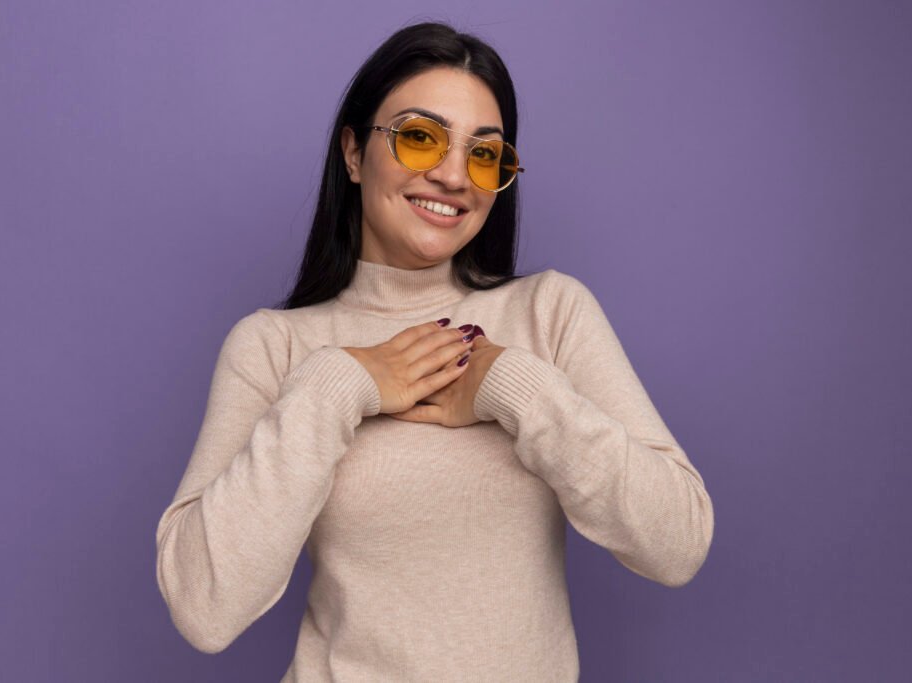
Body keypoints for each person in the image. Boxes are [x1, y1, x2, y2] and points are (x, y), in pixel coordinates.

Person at [154, 21, 714, 681]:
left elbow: (677, 543)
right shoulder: (276, 347)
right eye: (420, 138)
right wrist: (340, 384)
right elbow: (204, 605)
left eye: (484, 155)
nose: (454, 176)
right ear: (355, 152)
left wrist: (515, 388)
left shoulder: (550, 314)